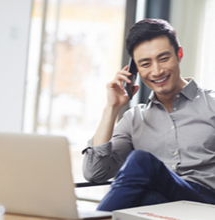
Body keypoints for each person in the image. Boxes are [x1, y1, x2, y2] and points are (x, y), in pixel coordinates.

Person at [82, 18, 215, 212]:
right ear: (134, 70)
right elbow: (95, 173)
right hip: (158, 206)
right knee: (148, 197)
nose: (157, 71)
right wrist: (112, 108)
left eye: (163, 58)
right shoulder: (134, 118)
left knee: (141, 161)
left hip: (204, 205)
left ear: (179, 54)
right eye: (145, 64)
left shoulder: (211, 104)